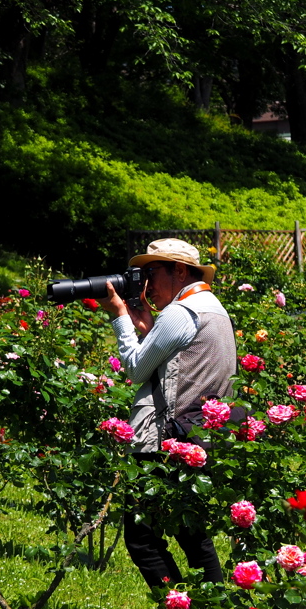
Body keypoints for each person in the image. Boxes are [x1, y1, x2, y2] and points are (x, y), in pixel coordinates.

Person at [98, 238, 237, 590]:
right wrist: (147, 328)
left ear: (179, 271)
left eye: (151, 272)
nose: (144, 284)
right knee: (191, 533)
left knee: (142, 537)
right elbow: (183, 361)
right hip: (198, 437)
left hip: (164, 439)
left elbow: (134, 369)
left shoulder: (179, 312)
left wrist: (119, 318)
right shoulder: (214, 308)